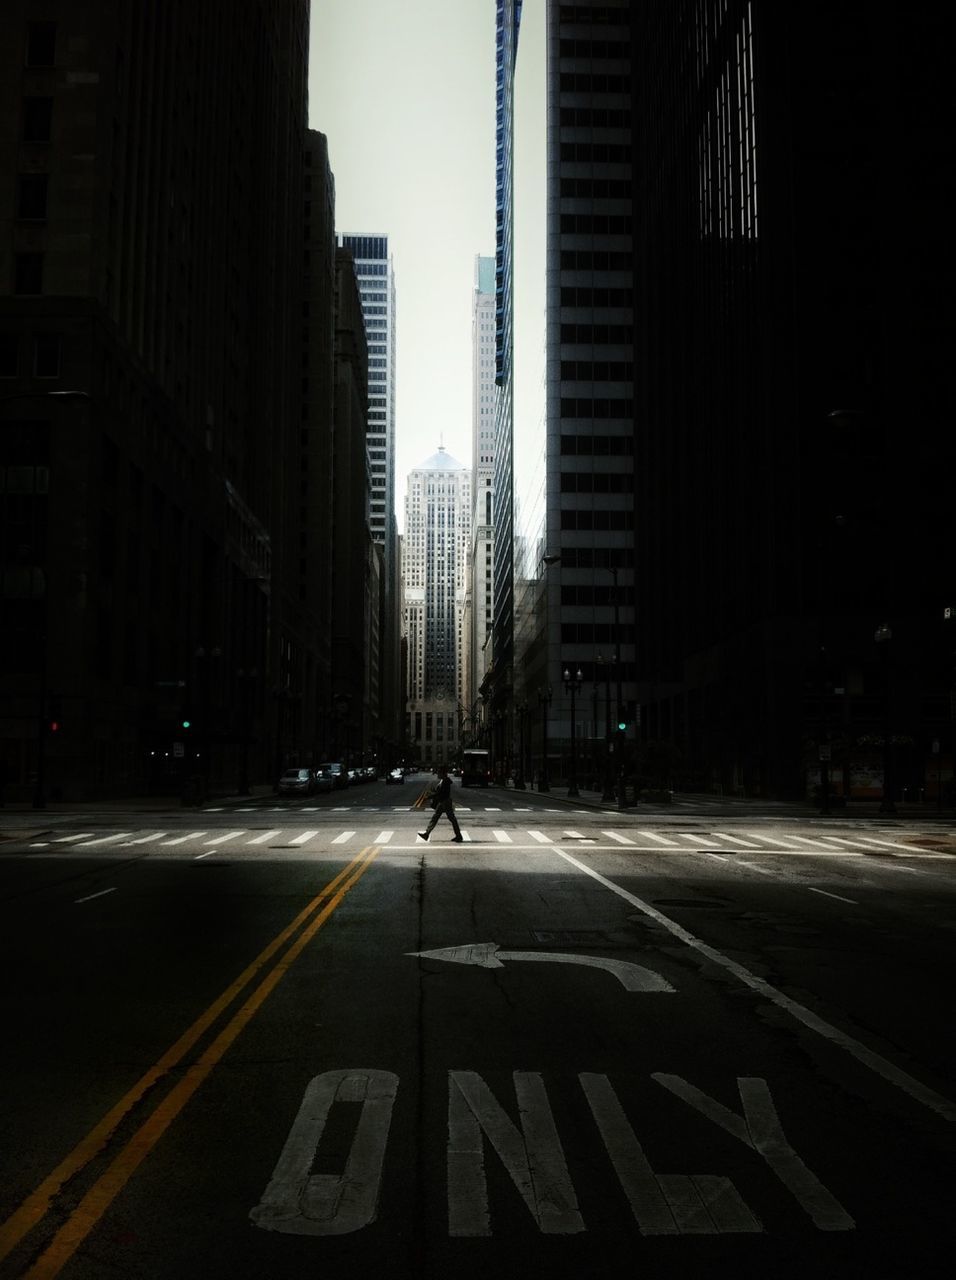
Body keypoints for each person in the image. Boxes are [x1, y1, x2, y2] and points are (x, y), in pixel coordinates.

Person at [419, 764, 463, 842]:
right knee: (436, 818)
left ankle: (459, 836)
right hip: (443, 802)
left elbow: (441, 793)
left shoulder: (445, 781)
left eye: (439, 773)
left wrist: (430, 797)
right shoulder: (443, 781)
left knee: (450, 819)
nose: (437, 774)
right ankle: (427, 834)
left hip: (445, 802)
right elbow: (439, 792)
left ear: (443, 773)